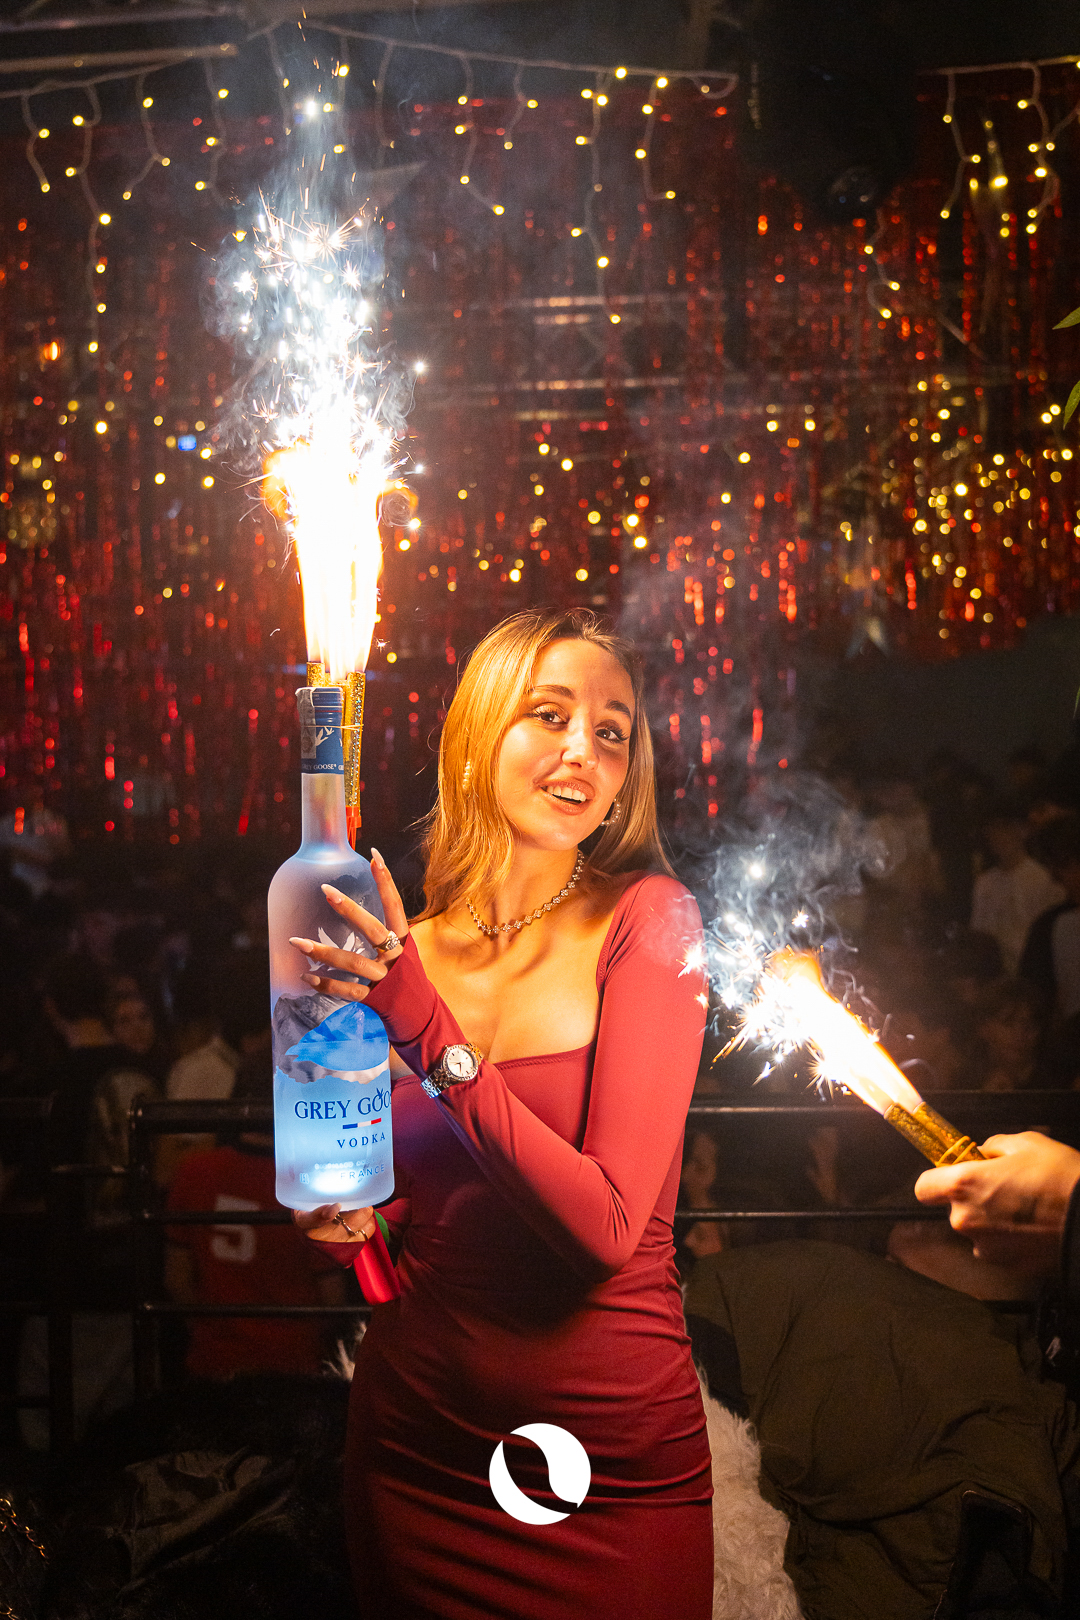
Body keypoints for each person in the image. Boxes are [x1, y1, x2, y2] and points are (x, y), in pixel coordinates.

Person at [292, 610, 712, 1620]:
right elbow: (409, 1221)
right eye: (550, 715)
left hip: (603, 1469)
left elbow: (606, 1228)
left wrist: (426, 1029)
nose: (584, 750)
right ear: (480, 734)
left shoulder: (652, 921)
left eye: (612, 732)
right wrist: (349, 1226)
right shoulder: (401, 949)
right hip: (417, 1454)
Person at [970, 803, 1063, 976]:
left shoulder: (1043, 879)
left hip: (1029, 973)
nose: (999, 836)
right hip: (991, 974)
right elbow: (978, 932)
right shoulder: (984, 882)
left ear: (1023, 830)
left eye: (1006, 828)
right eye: (993, 830)